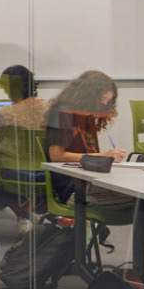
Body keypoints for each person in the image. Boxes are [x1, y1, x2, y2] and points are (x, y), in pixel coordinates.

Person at [44, 70, 133, 212]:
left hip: (89, 182)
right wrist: (103, 156)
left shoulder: (87, 115)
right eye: (102, 99)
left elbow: (90, 156)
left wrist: (105, 159)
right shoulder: (63, 112)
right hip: (74, 189)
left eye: (108, 101)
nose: (104, 104)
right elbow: (56, 155)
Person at [0, 64, 47, 161]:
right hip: (44, 167)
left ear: (9, 88)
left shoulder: (2, 113)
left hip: (10, 167)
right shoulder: (50, 108)